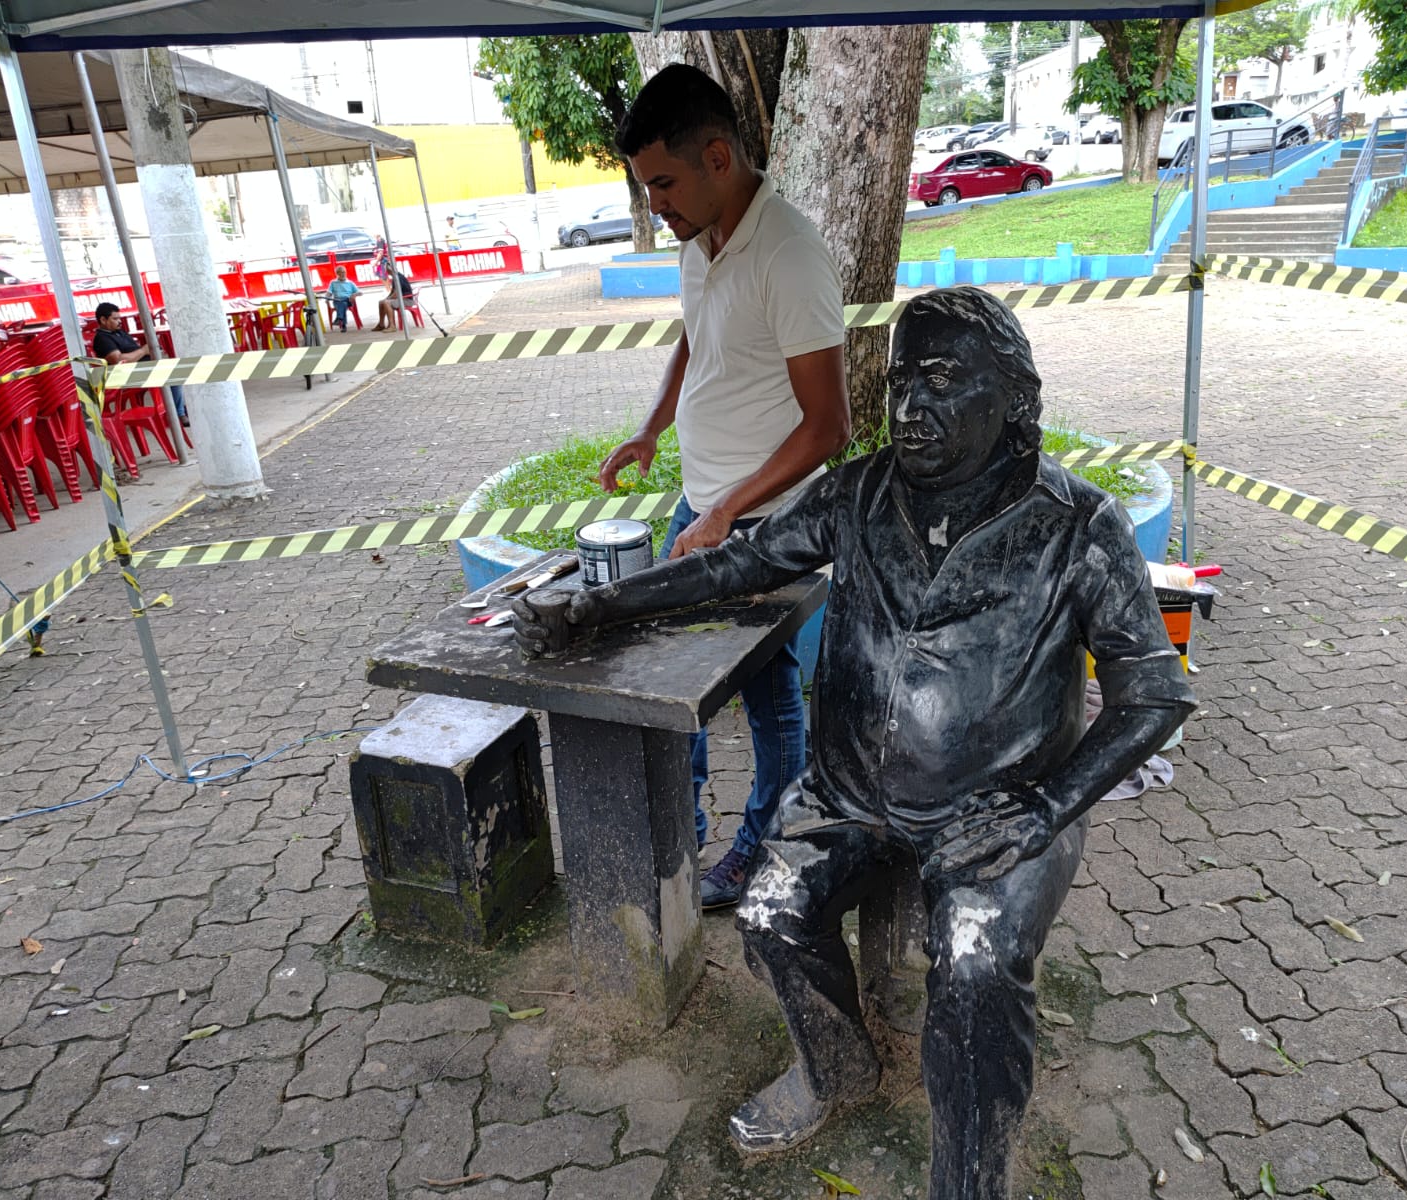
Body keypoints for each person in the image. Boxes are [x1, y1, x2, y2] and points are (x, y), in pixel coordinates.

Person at [512, 287, 1197, 1200]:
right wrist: (598, 604)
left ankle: (970, 1177)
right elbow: (738, 565)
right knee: (767, 911)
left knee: (978, 966)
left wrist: (1043, 809)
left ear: (1016, 400)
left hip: (1002, 811)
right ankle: (837, 1068)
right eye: (902, 380)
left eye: (944, 381)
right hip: (846, 798)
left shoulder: (1080, 526)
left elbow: (1155, 694)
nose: (910, 408)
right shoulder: (858, 492)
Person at [601, 63, 851, 909]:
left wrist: (730, 510)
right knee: (677, 675)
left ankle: (758, 847)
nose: (654, 205)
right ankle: (684, 827)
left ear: (717, 157)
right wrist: (651, 426)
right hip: (703, 506)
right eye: (646, 188)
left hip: (764, 523)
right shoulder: (698, 240)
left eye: (662, 184)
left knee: (773, 699)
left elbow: (829, 427)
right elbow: (693, 338)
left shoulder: (788, 252)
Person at [91, 302, 186, 428]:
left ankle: (178, 410)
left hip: (141, 369)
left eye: (119, 318)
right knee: (172, 375)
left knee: (176, 370)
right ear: (103, 320)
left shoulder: (120, 332)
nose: (119, 321)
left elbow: (135, 352)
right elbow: (118, 360)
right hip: (126, 375)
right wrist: (143, 351)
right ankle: (178, 414)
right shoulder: (102, 338)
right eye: (115, 319)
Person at [372, 267, 414, 332]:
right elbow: (392, 292)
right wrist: (386, 298)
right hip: (401, 298)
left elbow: (396, 294)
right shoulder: (395, 277)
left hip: (407, 300)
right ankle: (381, 324)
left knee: (386, 303)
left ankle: (392, 326)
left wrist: (387, 299)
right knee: (381, 302)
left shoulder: (398, 278)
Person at [325, 266, 361, 332]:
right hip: (337, 300)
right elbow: (329, 292)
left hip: (348, 300)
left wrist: (354, 294)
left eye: (344, 272)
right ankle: (342, 322)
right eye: (340, 272)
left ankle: (339, 319)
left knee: (343, 303)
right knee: (342, 304)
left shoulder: (350, 283)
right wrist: (326, 298)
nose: (342, 274)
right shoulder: (333, 282)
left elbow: (360, 292)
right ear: (337, 274)